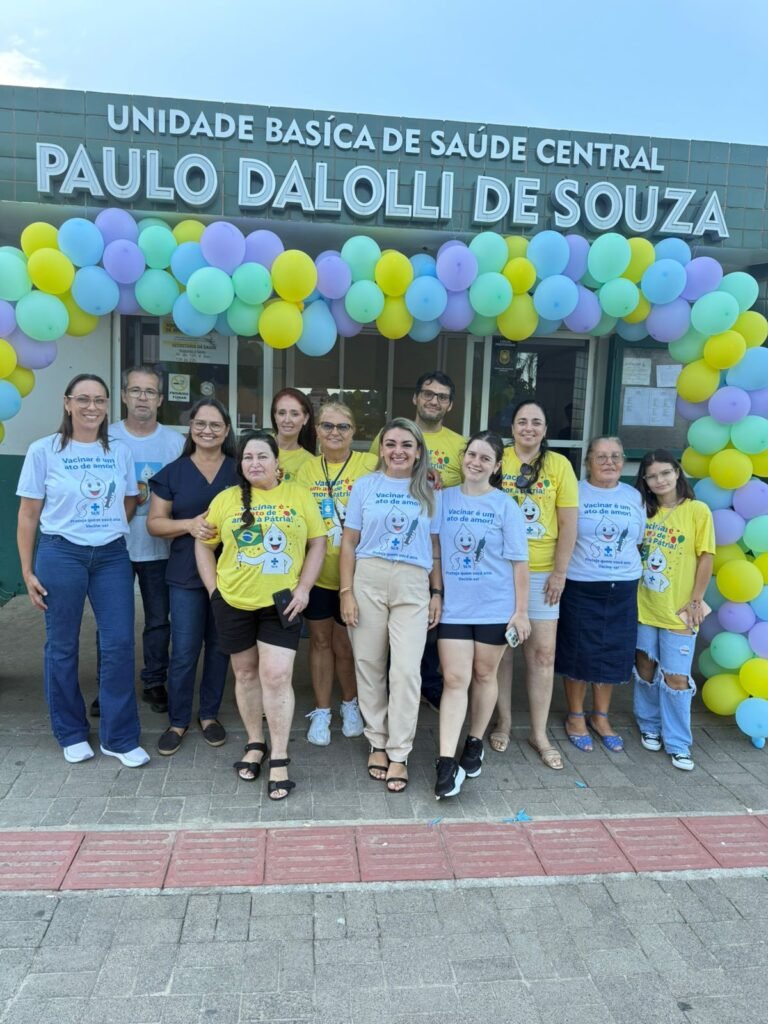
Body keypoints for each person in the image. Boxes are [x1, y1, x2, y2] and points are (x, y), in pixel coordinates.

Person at [16, 373, 149, 767]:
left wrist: (107, 527)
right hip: (60, 554)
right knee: (62, 646)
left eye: (100, 400)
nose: (92, 407)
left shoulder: (119, 452)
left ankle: (119, 736)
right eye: (84, 399)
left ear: (109, 405)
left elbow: (129, 500)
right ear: (67, 402)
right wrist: (27, 571)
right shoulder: (44, 451)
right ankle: (71, 731)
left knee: (120, 643)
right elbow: (28, 515)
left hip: (110, 556)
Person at [196, 431, 326, 799]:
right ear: (241, 464)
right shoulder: (225, 500)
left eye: (262, 456)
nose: (255, 463)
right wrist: (214, 591)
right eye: (248, 457)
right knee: (246, 673)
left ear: (276, 462)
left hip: (282, 602)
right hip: (233, 601)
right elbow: (202, 544)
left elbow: (318, 542)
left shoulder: (299, 496)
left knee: (276, 674)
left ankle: (280, 754)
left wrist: (303, 588)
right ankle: (255, 742)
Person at [340, 417, 443, 793]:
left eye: (406, 445)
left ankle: (400, 752)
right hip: (368, 577)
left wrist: (436, 593)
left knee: (405, 670)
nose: (398, 451)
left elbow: (434, 547)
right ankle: (377, 742)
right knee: (368, 664)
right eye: (391, 444)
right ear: (381, 449)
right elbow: (349, 541)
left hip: (413, 583)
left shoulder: (431, 490)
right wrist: (346, 592)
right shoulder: (365, 486)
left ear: (418, 452)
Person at [435, 431, 530, 799]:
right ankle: (446, 761)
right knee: (455, 678)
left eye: (485, 458)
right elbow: (436, 553)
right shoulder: (442, 500)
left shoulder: (505, 505)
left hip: (494, 606)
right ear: (463, 457)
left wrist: (521, 612)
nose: (476, 462)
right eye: (472, 454)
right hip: (455, 608)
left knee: (484, 673)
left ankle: (474, 741)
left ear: (497, 465)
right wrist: (437, 593)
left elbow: (520, 564)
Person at [147, 398, 238, 755]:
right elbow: (155, 523)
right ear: (191, 428)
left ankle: (210, 715)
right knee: (184, 651)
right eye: (200, 423)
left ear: (227, 431)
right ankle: (178, 720)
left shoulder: (239, 470)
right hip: (185, 576)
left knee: (220, 648)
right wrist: (189, 525)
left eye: (215, 425)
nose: (207, 430)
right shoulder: (174, 471)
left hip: (232, 576)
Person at [90, 366, 183, 718]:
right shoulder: (106, 439)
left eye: (150, 391)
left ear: (160, 399)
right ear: (125, 396)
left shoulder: (174, 443)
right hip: (114, 549)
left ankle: (154, 682)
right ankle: (108, 686)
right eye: (136, 390)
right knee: (112, 623)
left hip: (160, 550)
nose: (142, 397)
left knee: (159, 620)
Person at [371, 371, 466, 711]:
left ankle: (429, 683)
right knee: (389, 626)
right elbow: (378, 480)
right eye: (428, 393)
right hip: (394, 547)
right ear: (415, 397)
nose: (433, 400)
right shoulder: (391, 436)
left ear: (450, 405)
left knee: (431, 622)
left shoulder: (459, 444)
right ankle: (387, 688)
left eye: (442, 396)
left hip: (442, 545)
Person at [493, 400, 578, 770]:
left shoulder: (559, 466)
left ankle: (539, 732)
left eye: (537, 422)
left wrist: (560, 573)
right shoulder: (498, 459)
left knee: (542, 654)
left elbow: (569, 524)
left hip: (543, 574)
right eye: (522, 421)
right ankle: (504, 722)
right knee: (501, 653)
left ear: (545, 429)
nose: (529, 428)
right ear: (512, 427)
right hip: (498, 571)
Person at [555, 436, 645, 752]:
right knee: (579, 651)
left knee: (613, 653)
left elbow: (638, 540)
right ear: (588, 460)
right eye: (601, 456)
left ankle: (601, 716)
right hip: (582, 584)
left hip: (622, 586)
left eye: (616, 456)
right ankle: (576, 715)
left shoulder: (634, 496)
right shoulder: (574, 492)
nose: (609, 462)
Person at [296, 400, 377, 745]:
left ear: (354, 431)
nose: (334, 433)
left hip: (354, 575)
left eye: (342, 427)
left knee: (346, 645)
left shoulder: (370, 464)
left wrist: (430, 474)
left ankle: (350, 704)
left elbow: (409, 471)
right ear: (316, 430)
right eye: (327, 426)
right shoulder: (306, 470)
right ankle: (322, 710)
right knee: (320, 641)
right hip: (316, 573)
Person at [633, 449, 715, 771]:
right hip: (644, 605)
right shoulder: (643, 510)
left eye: (665, 473)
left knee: (677, 676)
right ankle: (649, 724)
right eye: (652, 476)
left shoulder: (697, 511)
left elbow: (706, 556)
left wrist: (696, 599)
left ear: (677, 472)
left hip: (680, 610)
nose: (659, 480)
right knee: (646, 665)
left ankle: (678, 742)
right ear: (645, 481)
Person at [270, 387, 317, 481]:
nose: (287, 420)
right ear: (275, 416)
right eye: (281, 413)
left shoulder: (310, 462)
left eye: (294, 414)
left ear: (306, 418)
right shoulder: (258, 446)